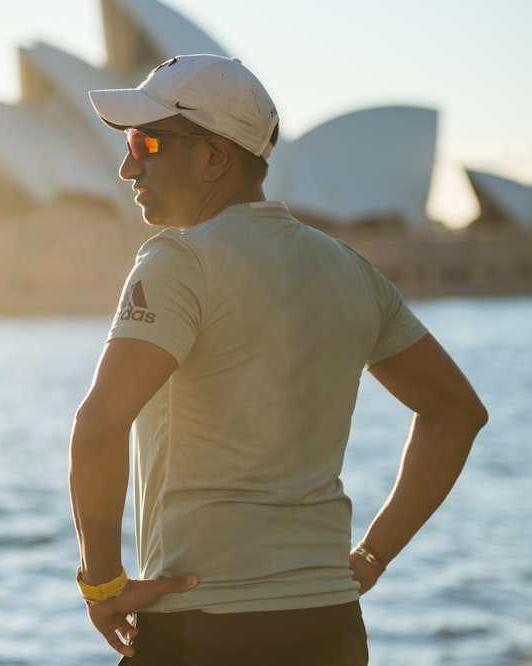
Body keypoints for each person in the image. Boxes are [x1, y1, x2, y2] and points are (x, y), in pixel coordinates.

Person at [68, 53, 488, 665]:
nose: (130, 165)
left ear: (214, 158)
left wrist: (102, 585)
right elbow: (456, 413)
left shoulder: (180, 262)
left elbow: (99, 427)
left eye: (147, 142)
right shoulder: (351, 271)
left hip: (203, 626)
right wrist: (372, 556)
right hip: (329, 625)